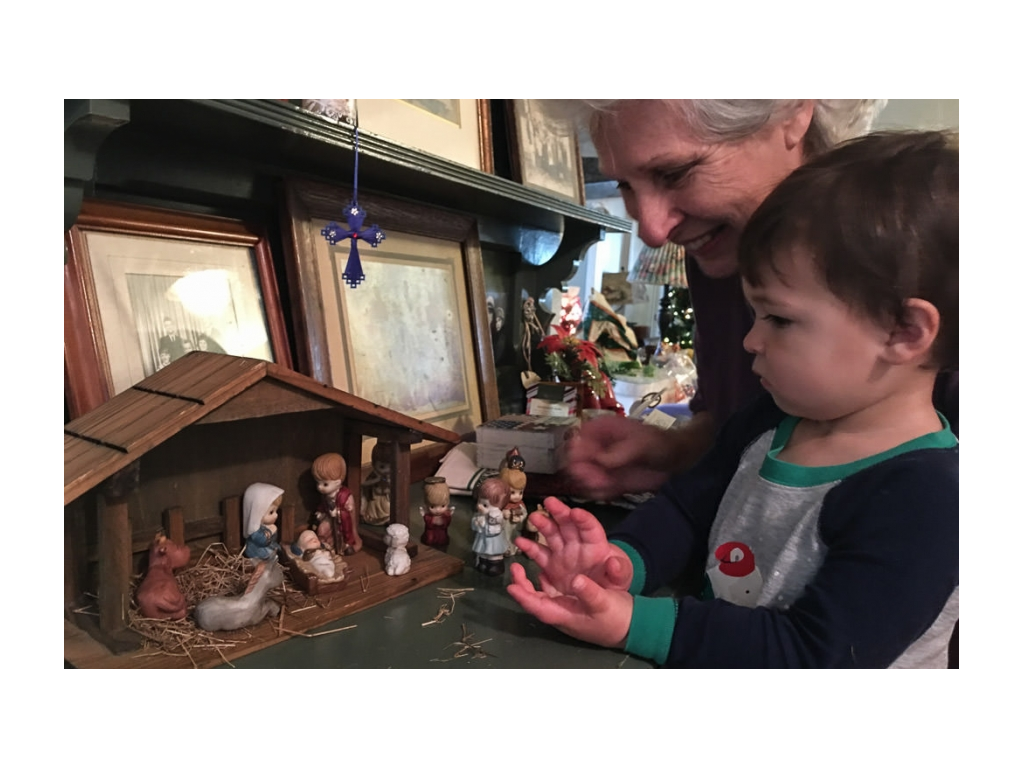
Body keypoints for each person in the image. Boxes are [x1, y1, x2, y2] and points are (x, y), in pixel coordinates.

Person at [507, 130, 959, 668]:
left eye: (780, 319)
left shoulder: (930, 497)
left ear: (904, 331)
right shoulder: (770, 419)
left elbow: (814, 658)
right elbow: (686, 509)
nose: (750, 340)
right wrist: (616, 565)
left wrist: (632, 622)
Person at [541, 100, 959, 500]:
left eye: (676, 172)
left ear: (792, 114)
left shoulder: (917, 258)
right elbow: (737, 424)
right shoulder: (719, 247)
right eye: (625, 184)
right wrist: (674, 454)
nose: (651, 230)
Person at [311, 452, 361, 554]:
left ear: (337, 482)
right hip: (329, 518)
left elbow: (348, 511)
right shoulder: (326, 495)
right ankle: (326, 545)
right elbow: (324, 505)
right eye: (318, 483)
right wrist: (322, 512)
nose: (320, 487)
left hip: (341, 522)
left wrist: (338, 512)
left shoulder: (344, 495)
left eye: (325, 484)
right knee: (322, 529)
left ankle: (345, 545)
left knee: (345, 531)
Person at [243, 482, 284, 560]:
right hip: (257, 551)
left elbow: (273, 540)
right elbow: (261, 541)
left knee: (280, 551)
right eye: (271, 512)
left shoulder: (267, 525)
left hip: (269, 546)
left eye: (276, 511)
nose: (276, 515)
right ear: (257, 513)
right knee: (271, 555)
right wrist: (270, 532)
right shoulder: (254, 531)